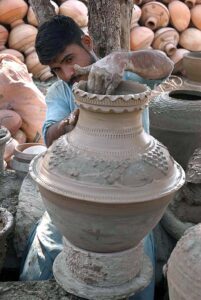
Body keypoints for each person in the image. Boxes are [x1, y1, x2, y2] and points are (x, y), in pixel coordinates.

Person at [20, 15, 173, 300]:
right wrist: (73, 121)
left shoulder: (128, 75)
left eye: (69, 59)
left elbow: (166, 65)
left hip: (131, 200)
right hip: (76, 198)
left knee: (135, 268)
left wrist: (122, 58)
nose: (67, 73)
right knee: (42, 256)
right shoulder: (60, 91)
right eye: (56, 69)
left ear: (87, 43)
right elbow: (49, 137)